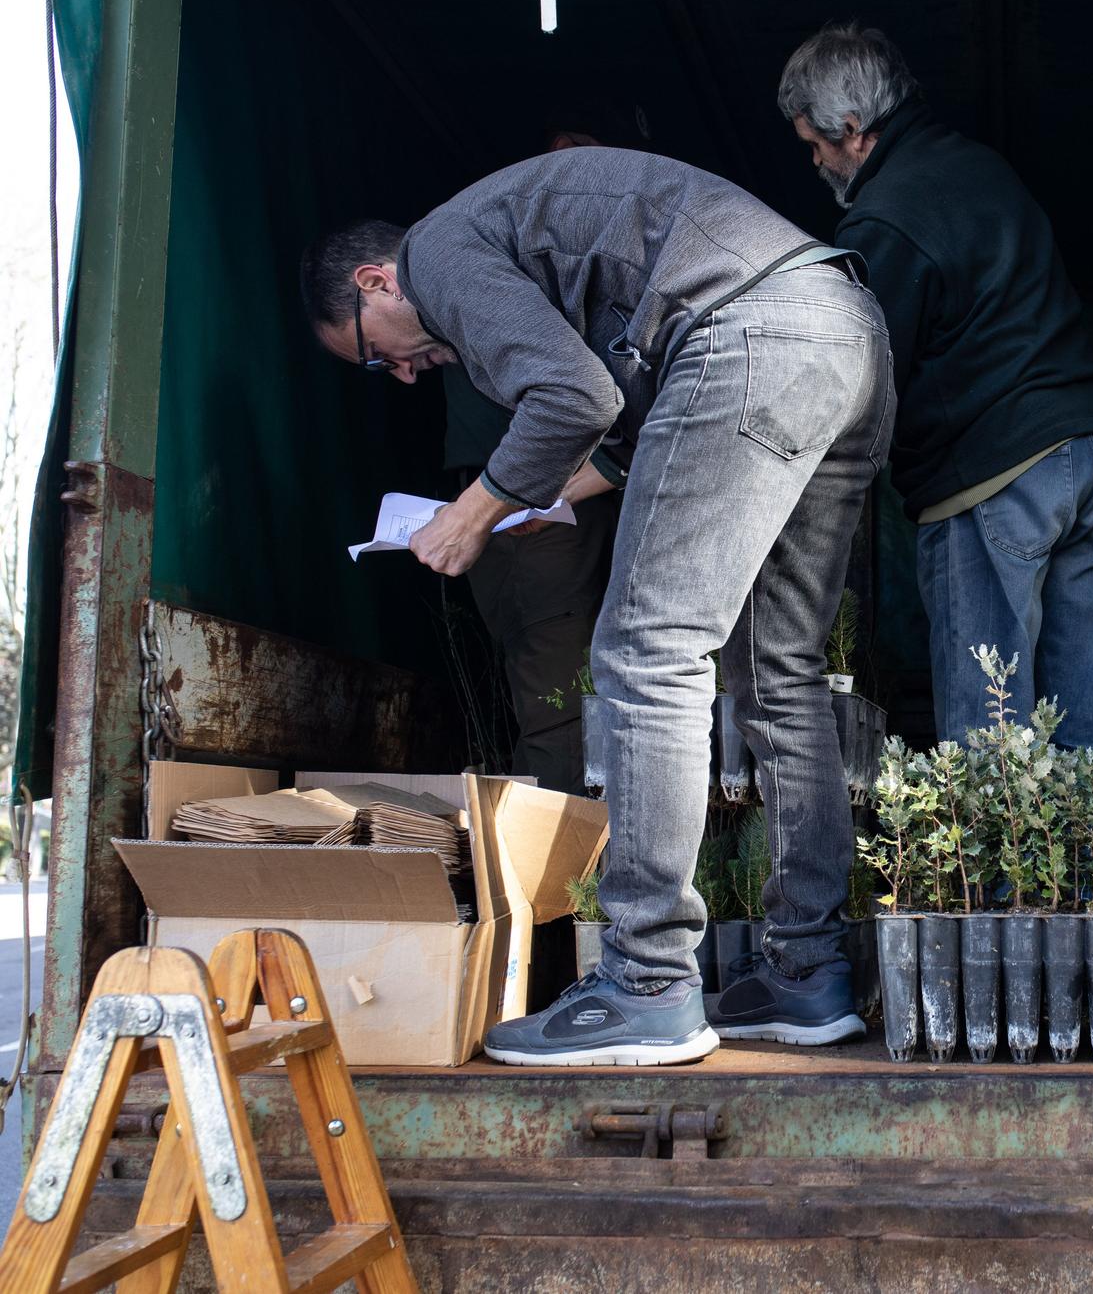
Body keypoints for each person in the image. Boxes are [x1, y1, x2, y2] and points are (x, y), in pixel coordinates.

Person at [300, 147, 895, 1064]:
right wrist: (544, 494)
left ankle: (648, 981)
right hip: (844, 334)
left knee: (649, 648)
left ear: (377, 281)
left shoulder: (437, 253)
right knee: (780, 668)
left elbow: (572, 394)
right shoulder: (508, 239)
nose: (406, 373)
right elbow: (618, 400)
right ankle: (807, 971)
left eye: (377, 356)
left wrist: (475, 510)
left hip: (751, 333)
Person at [778, 24, 1093, 748]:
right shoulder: (980, 165)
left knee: (988, 739)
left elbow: (863, 387)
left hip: (997, 475)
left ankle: (998, 837)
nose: (814, 160)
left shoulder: (885, 220)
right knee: (1085, 737)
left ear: (852, 129)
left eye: (815, 143)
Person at [443, 127, 620, 796]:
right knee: (558, 699)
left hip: (564, 501)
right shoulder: (501, 262)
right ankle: (561, 851)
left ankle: (576, 841)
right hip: (530, 511)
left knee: (579, 688)